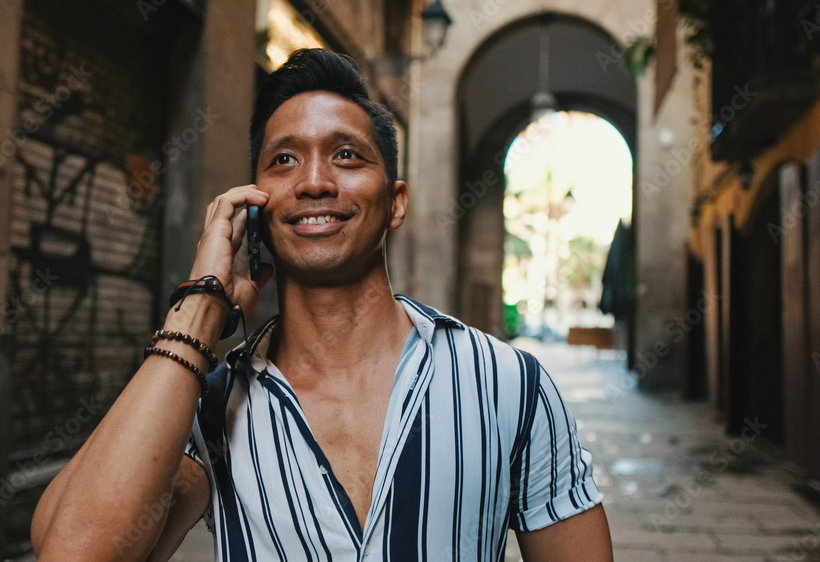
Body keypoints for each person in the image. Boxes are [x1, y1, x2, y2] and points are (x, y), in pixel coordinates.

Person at [31, 48, 612, 561]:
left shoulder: (509, 384)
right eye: (284, 160)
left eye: (347, 156)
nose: (313, 182)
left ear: (396, 202)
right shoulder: (207, 409)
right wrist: (202, 307)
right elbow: (76, 551)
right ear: (253, 204)